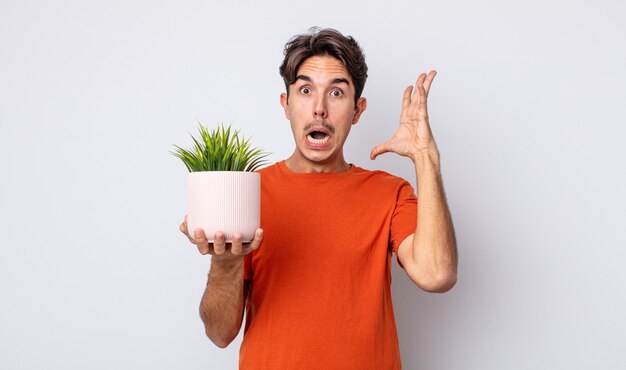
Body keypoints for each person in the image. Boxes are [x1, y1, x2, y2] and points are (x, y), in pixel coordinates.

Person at [180, 27, 457, 369]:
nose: (319, 109)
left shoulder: (390, 193)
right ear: (286, 104)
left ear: (357, 111)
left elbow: (437, 275)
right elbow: (220, 333)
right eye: (306, 90)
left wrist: (425, 157)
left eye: (337, 93)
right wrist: (225, 262)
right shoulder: (248, 191)